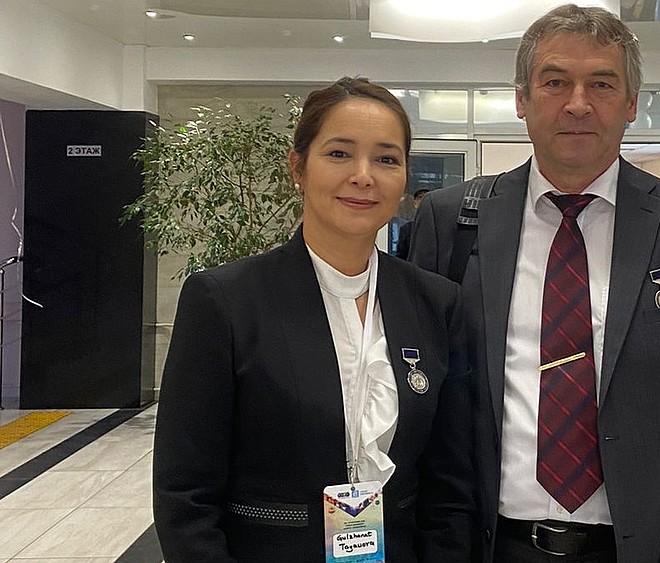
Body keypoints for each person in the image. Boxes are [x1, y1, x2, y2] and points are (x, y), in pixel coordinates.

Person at [409, 5, 660, 562]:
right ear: (521, 99)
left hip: (649, 549)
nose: (578, 103)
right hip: (489, 545)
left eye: (602, 84)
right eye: (555, 81)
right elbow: (421, 406)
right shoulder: (453, 222)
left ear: (631, 104)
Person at [152, 77, 476, 562]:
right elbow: (185, 496)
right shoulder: (225, 300)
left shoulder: (436, 302)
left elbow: (449, 486)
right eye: (339, 154)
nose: (363, 176)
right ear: (298, 167)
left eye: (386, 159)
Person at [396, 187, 430, 259]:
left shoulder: (438, 227)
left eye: (426, 197)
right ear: (415, 203)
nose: (422, 200)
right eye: (420, 197)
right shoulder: (407, 229)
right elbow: (401, 255)